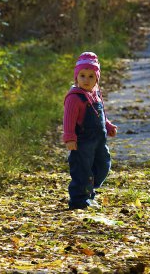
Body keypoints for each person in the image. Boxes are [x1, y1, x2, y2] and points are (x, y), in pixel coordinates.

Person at [63, 52, 118, 210]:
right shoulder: (74, 98)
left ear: (97, 78)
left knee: (103, 165)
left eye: (91, 76)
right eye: (82, 76)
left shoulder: (95, 94)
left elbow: (100, 115)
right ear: (76, 77)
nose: (86, 80)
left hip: (99, 142)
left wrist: (108, 126)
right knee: (82, 170)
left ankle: (89, 193)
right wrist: (70, 138)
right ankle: (79, 200)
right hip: (82, 142)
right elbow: (68, 120)